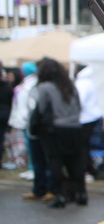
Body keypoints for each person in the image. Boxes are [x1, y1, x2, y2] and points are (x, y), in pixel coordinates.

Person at [32, 57, 84, 208]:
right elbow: (79, 107)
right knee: (75, 161)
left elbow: (41, 109)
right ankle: (81, 193)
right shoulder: (70, 86)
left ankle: (60, 195)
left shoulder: (45, 87)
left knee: (55, 161)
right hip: (74, 127)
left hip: (55, 129)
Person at [15, 61, 52, 201]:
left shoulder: (36, 85)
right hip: (32, 126)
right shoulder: (32, 84)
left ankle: (44, 188)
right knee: (38, 160)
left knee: (42, 160)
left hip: (37, 127)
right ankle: (39, 188)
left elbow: (35, 107)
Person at [74, 64, 104, 178]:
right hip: (91, 117)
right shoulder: (87, 81)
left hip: (86, 118)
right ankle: (90, 169)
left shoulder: (82, 83)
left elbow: (79, 101)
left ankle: (87, 169)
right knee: (86, 146)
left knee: (83, 147)